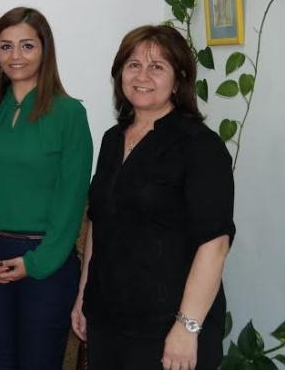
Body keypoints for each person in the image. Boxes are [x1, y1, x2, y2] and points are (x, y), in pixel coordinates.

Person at [71, 25, 235, 370]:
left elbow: (215, 244)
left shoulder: (200, 146)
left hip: (168, 327)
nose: (142, 76)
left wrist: (187, 328)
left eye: (157, 66)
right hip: (108, 318)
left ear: (179, 80)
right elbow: (99, 223)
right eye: (133, 65)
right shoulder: (113, 139)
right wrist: (84, 297)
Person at [0, 7, 93, 369]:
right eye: (6, 46)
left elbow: (72, 201)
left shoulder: (70, 114)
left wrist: (36, 263)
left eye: (27, 45)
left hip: (46, 262)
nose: (15, 56)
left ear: (44, 50)